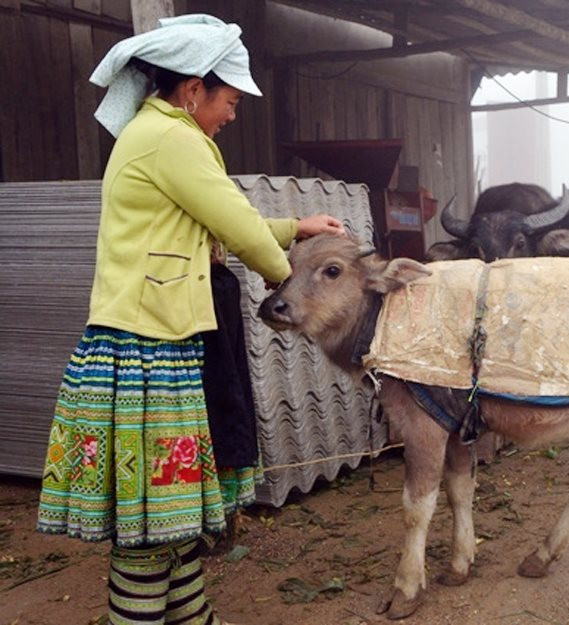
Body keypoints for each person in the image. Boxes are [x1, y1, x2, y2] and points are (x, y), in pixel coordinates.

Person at [35, 14, 343, 625]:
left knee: (172, 522)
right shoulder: (171, 139)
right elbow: (236, 225)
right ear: (195, 88)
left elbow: (212, 213)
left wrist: (294, 228)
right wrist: (297, 280)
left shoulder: (160, 135)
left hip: (160, 344)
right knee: (151, 534)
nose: (233, 113)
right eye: (229, 99)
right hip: (148, 349)